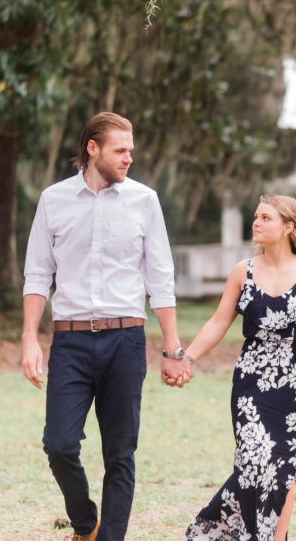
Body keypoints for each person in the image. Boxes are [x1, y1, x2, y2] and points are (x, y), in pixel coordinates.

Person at [20, 112, 192, 541]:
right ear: (92, 149)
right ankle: (86, 524)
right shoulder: (53, 200)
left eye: (130, 151)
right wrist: (29, 339)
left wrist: (172, 348)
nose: (128, 158)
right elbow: (38, 274)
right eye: (120, 150)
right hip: (71, 342)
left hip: (125, 341)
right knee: (59, 445)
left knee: (120, 454)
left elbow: (160, 278)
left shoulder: (145, 201)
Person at [179, 194, 296, 541]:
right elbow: (218, 322)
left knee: (283, 467)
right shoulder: (243, 271)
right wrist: (187, 357)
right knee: (253, 461)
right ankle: (221, 531)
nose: (256, 222)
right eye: (256, 216)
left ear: (287, 227)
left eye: (265, 217)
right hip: (252, 379)